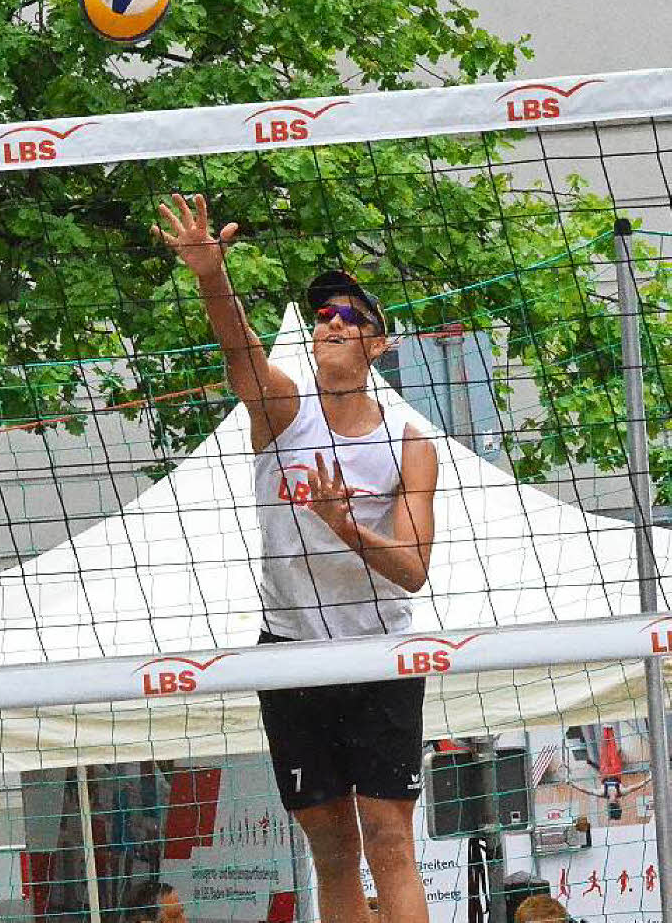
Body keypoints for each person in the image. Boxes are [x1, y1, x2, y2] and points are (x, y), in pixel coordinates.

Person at [154, 194, 438, 923]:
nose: (332, 323)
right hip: (290, 650)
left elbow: (412, 567)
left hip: (378, 653)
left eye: (350, 316)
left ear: (378, 343)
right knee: (331, 847)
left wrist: (345, 526)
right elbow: (237, 351)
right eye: (323, 315)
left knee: (389, 840)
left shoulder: (408, 440)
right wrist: (210, 276)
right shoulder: (282, 409)